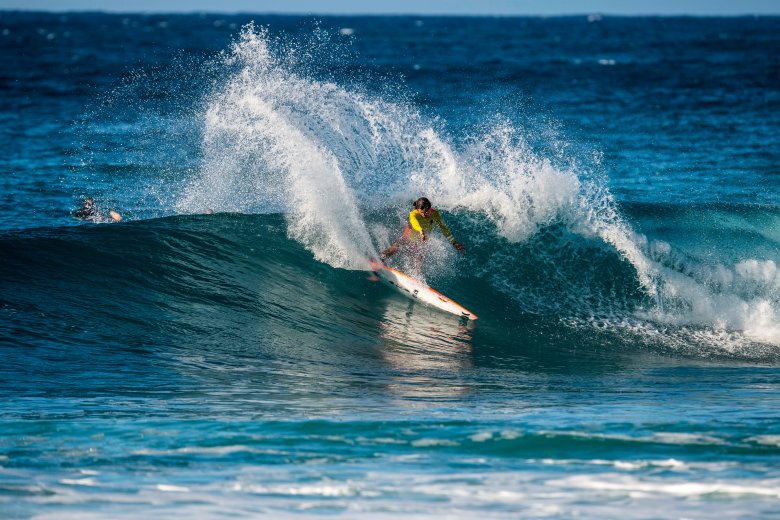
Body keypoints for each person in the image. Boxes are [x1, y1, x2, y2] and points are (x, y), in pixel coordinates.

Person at [381, 197, 465, 261]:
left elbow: (443, 228)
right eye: (422, 213)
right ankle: (379, 259)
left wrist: (454, 243)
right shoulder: (413, 214)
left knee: (419, 259)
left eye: (426, 211)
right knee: (395, 248)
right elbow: (414, 224)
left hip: (420, 243)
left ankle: (416, 278)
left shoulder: (435, 214)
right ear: (417, 210)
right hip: (407, 239)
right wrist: (421, 231)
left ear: (430, 208)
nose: (424, 214)